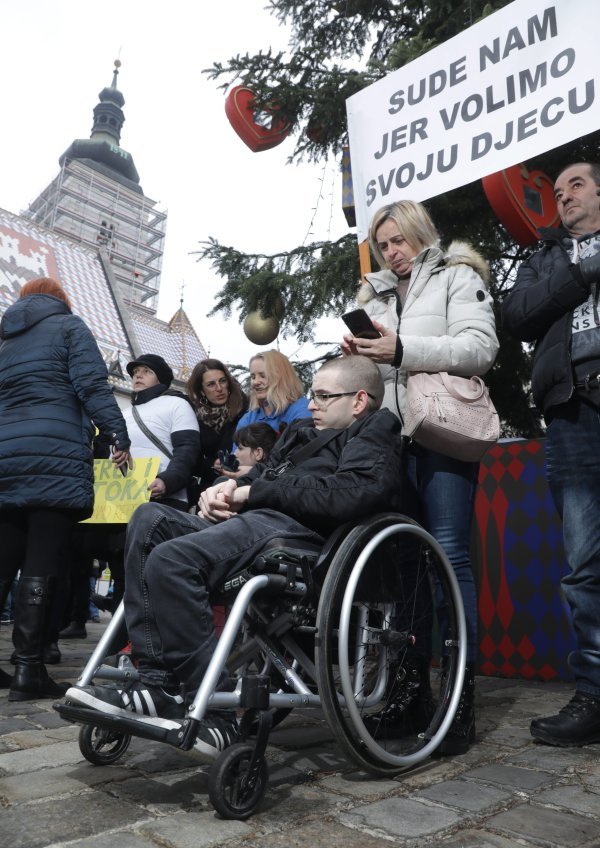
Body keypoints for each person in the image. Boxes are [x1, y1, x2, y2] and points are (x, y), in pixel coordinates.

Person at [64, 356, 404, 756]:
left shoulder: (375, 429)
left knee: (171, 560)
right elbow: (260, 480)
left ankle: (212, 710)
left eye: (324, 396)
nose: (312, 404)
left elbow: (353, 493)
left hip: (300, 536)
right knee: (149, 518)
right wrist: (221, 492)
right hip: (257, 522)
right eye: (313, 395)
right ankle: (155, 679)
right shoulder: (301, 432)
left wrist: (253, 494)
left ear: (359, 400)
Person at [341, 200, 498, 755]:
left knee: (449, 556)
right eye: (384, 244)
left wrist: (402, 348)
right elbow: (382, 376)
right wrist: (363, 357)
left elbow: (481, 349)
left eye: (400, 240)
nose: (393, 252)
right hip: (394, 438)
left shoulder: (458, 275)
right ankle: (409, 695)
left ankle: (458, 702)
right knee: (403, 560)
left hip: (445, 431)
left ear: (420, 234)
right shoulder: (375, 294)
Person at [503, 161, 600, 747]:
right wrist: (580, 269)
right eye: (557, 191)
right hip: (571, 408)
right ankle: (593, 693)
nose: (562, 197)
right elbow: (517, 317)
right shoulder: (546, 256)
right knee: (586, 561)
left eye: (577, 186)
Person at [0, 277, 131, 700]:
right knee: (42, 562)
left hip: (5, 458)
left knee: (2, 562)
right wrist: (117, 434)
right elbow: (92, 385)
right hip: (53, 458)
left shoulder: (5, 342)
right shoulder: (70, 328)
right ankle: (28, 670)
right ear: (61, 301)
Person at [82, 353, 200, 622]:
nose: (137, 375)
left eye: (146, 371)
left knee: (150, 572)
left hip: (162, 498)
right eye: (135, 371)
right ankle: (122, 637)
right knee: (122, 571)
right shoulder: (122, 413)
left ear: (161, 378)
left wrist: (169, 481)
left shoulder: (177, 406)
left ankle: (149, 639)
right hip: (123, 504)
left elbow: (187, 450)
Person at [186, 358, 247, 493]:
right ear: (201, 390)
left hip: (243, 482)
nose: (219, 389)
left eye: (222, 381)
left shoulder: (245, 408)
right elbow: (191, 457)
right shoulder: (193, 415)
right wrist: (212, 464)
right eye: (211, 384)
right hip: (209, 486)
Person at [234, 350, 310, 436]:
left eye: (263, 376)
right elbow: (238, 449)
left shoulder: (302, 409)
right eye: (253, 377)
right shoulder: (248, 419)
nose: (256, 382)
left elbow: (302, 446)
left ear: (281, 377)